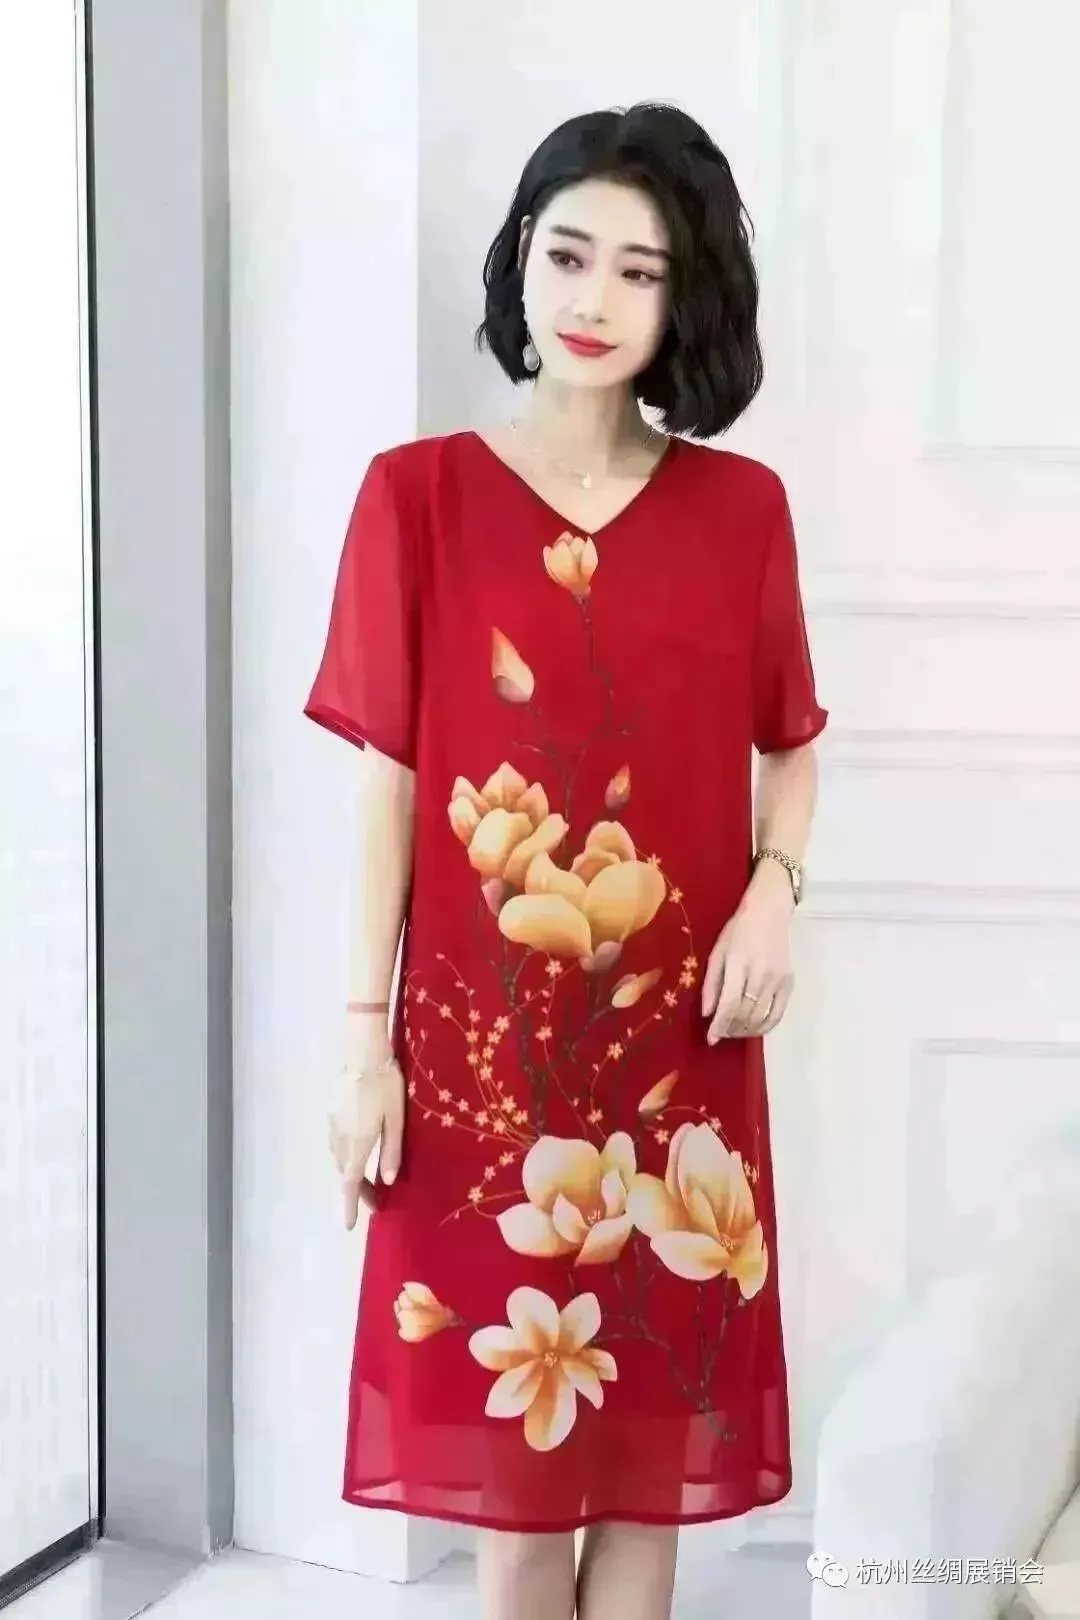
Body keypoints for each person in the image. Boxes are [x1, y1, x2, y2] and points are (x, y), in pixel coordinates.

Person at [305, 101, 828, 1620]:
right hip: (481, 1059)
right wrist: (363, 1043)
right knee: (520, 1491)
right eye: (568, 254)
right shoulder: (415, 497)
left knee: (649, 1475)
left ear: (685, 300)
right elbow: (388, 792)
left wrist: (774, 893)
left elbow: (792, 743)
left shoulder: (743, 512)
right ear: (520, 261)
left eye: (640, 272)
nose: (594, 298)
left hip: (681, 1051)